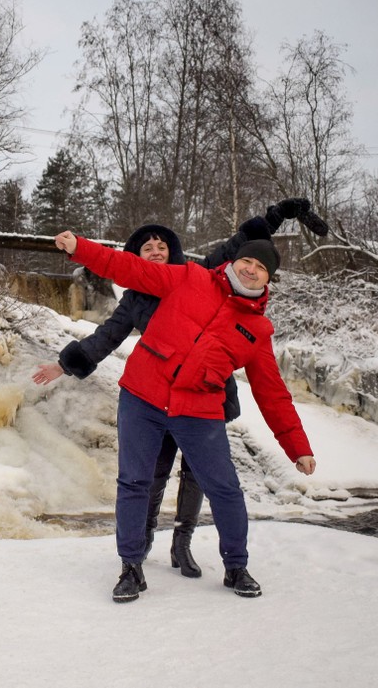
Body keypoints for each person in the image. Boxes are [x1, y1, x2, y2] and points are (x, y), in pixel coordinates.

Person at [32, 205, 308, 580]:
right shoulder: (150, 292)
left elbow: (272, 391)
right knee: (145, 477)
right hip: (150, 394)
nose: (156, 251)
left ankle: (185, 543)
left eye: (162, 245)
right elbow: (108, 331)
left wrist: (274, 218)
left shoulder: (204, 276)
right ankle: (137, 550)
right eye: (147, 247)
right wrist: (66, 362)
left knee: (207, 479)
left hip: (206, 397)